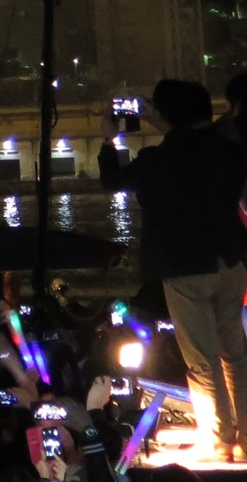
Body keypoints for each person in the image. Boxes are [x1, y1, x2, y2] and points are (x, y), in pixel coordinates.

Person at [99, 78, 247, 461]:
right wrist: (163, 118)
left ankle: (218, 440)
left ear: (163, 114)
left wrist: (109, 139)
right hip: (231, 259)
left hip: (185, 268)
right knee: (236, 353)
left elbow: (111, 181)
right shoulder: (230, 151)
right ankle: (245, 434)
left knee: (202, 358)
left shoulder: (155, 159)